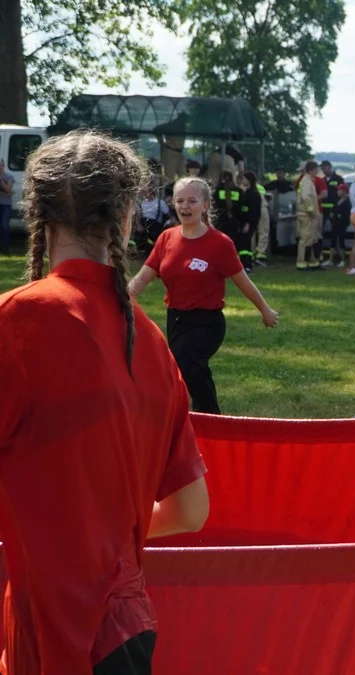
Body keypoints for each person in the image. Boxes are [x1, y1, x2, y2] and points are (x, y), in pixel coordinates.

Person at [0, 129, 210, 675]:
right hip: (128, 632)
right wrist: (108, 527)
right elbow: (192, 511)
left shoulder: (16, 322)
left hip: (49, 634)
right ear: (124, 220)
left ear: (38, 217)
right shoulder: (151, 341)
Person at [129, 177, 280, 414]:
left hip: (206, 322)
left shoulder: (220, 243)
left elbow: (243, 281)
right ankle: (203, 418)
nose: (184, 206)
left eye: (192, 201)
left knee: (185, 364)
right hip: (176, 319)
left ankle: (202, 417)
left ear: (205, 205)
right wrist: (120, 298)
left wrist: (265, 310)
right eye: (179, 201)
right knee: (189, 370)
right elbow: (142, 278)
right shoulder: (166, 238)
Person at [296, 161, 323, 271]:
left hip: (309, 215)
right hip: (307, 215)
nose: (318, 172)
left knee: (312, 239)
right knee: (306, 239)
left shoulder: (308, 180)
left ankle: (312, 262)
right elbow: (306, 197)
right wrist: (311, 211)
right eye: (316, 169)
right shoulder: (307, 181)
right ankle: (302, 263)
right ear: (311, 170)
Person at [318, 160, 345, 267]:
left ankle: (338, 256)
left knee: (336, 234)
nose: (324, 170)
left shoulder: (338, 179)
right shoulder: (322, 180)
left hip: (335, 210)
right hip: (324, 210)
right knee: (320, 232)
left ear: (330, 167)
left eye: (325, 167)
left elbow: (342, 193)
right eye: (322, 168)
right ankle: (320, 255)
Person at [236, 172, 263, 273]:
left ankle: (247, 264)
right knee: (243, 243)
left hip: (249, 222)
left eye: (244, 179)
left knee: (245, 243)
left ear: (249, 180)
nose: (242, 180)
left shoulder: (254, 194)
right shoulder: (246, 192)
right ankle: (245, 263)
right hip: (244, 221)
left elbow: (253, 210)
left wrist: (248, 223)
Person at [0, 159, 14, 256]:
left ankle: (5, 248)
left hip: (5, 205)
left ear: (4, 166)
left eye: (1, 165)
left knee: (4, 226)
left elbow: (8, 189)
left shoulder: (9, 177)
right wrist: (6, 193)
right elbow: (8, 193)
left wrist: (1, 179)